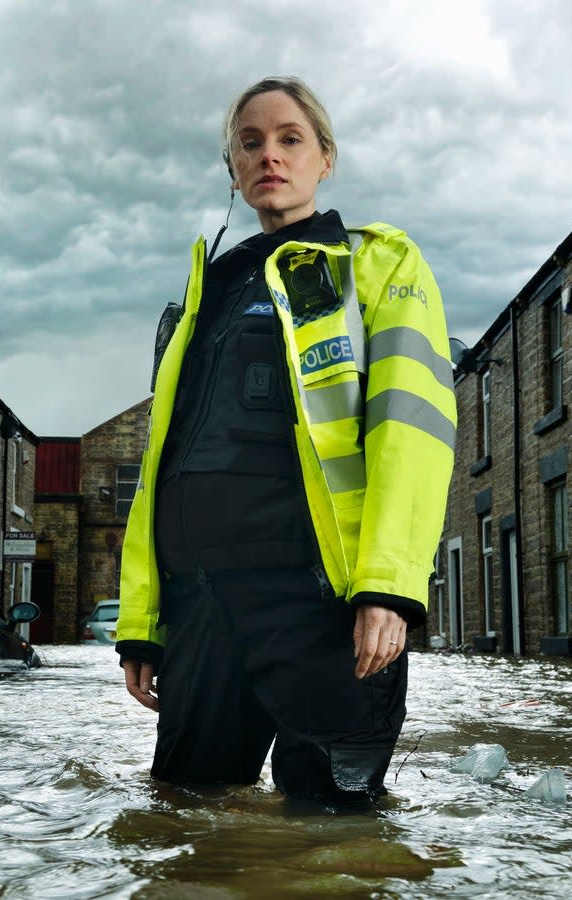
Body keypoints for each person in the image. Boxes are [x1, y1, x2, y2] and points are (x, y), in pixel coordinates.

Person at [115, 75, 456, 808]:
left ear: (325, 158)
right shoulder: (199, 298)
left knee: (333, 834)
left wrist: (388, 587)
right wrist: (142, 625)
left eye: (290, 139)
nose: (270, 154)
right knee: (183, 819)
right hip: (202, 603)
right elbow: (159, 470)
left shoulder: (377, 264)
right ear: (232, 169)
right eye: (251, 141)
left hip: (320, 603)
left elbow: (412, 430)